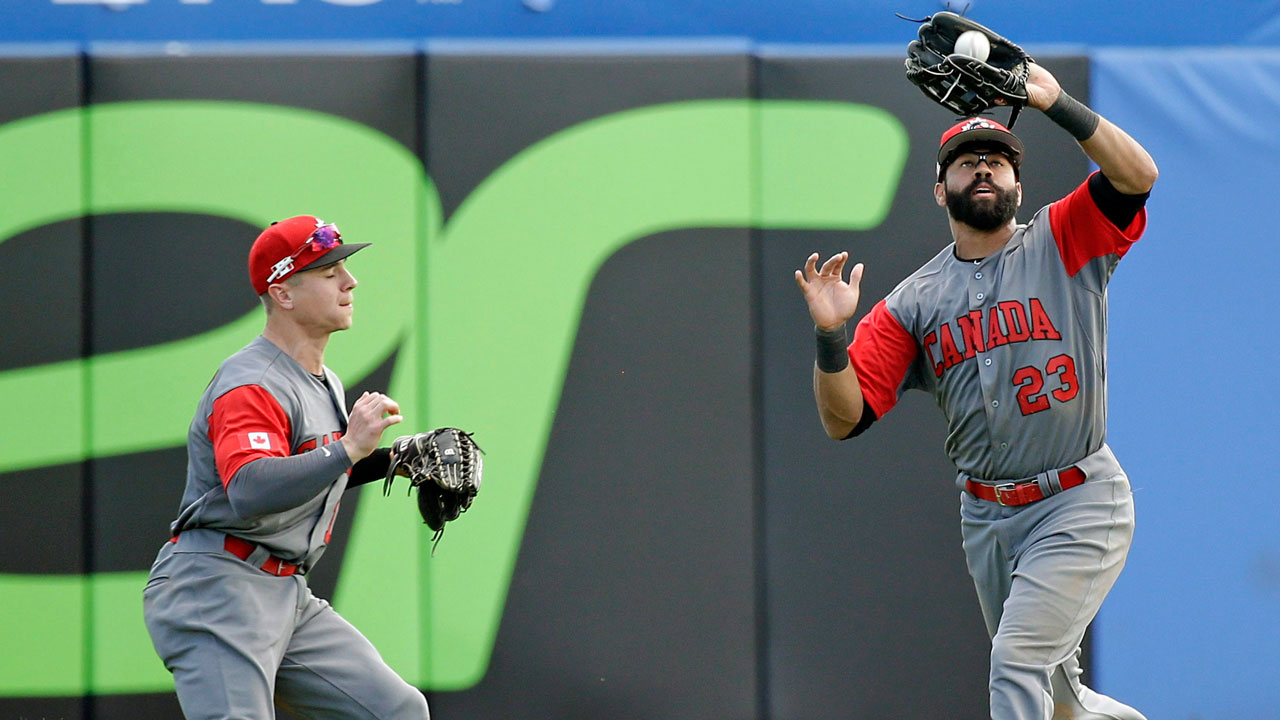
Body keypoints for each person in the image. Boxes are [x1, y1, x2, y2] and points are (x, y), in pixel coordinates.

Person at [794, 62, 1157, 719]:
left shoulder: (1062, 237)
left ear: (1019, 181)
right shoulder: (915, 302)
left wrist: (1057, 103)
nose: (984, 169)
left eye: (997, 159)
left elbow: (1138, 177)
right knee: (1059, 703)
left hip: (1077, 499)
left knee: (1015, 664)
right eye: (966, 161)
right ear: (940, 189)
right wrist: (829, 337)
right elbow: (844, 419)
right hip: (988, 520)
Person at [143, 215, 430, 719]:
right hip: (218, 588)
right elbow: (251, 489)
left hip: (286, 593)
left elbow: (303, 472)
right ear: (284, 294)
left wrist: (389, 461)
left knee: (397, 711)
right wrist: (347, 449)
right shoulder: (251, 383)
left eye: (344, 266)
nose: (350, 281)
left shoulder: (322, 380)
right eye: (328, 272)